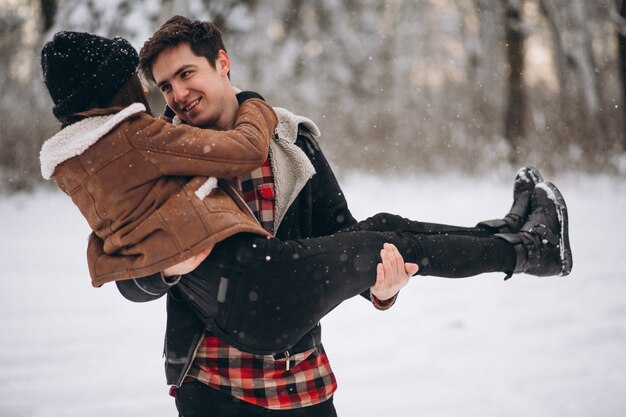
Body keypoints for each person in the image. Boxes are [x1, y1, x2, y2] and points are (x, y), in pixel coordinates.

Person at [39, 28, 572, 416]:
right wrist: (169, 268)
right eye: (164, 86)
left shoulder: (294, 147)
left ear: (222, 62)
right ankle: (528, 249)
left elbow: (341, 235)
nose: (177, 95)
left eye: (186, 74)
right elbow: (129, 279)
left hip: (300, 378)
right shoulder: (159, 155)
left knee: (386, 226)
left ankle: (514, 236)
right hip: (212, 384)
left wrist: (382, 290)